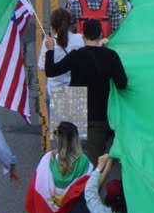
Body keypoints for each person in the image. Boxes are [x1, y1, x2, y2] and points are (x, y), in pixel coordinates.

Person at [43, 18, 130, 158]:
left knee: (68, 155)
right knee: (94, 158)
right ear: (100, 34)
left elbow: (51, 71)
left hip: (75, 109)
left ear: (83, 35)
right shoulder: (111, 56)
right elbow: (122, 84)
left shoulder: (76, 55)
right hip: (99, 113)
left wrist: (50, 50)